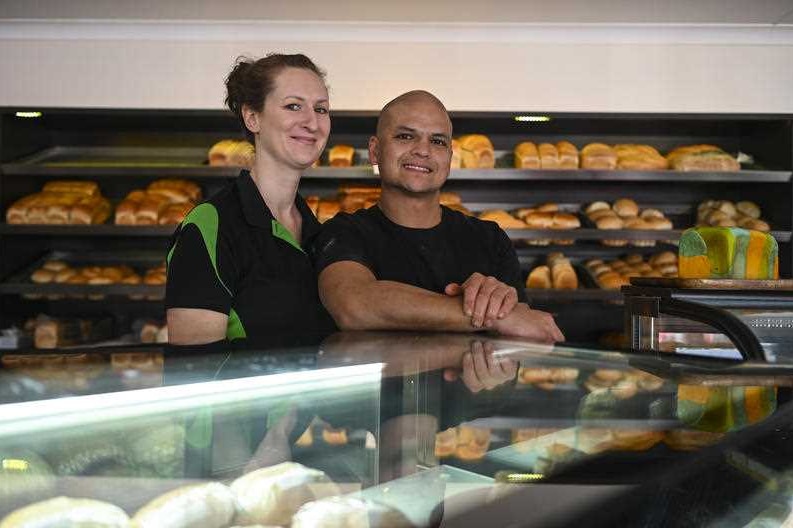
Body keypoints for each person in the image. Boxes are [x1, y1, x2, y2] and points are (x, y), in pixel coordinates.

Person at [312, 90, 564, 342]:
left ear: (449, 158)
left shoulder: (489, 238)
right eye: (405, 136)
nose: (423, 150)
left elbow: (525, 333)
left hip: (473, 381)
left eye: (438, 141)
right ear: (375, 151)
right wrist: (493, 316)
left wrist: (505, 326)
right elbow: (354, 305)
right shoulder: (344, 231)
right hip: (379, 382)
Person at [166, 54, 336, 345]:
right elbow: (193, 370)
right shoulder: (211, 224)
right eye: (293, 106)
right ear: (252, 117)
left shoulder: (319, 233)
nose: (312, 122)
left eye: (321, 109)